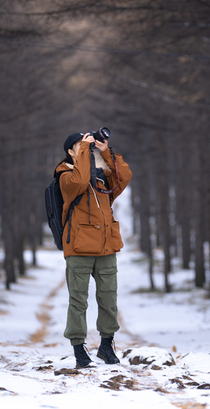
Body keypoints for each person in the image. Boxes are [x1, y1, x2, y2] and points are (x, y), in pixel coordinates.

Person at [56, 130, 132, 368]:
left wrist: (105, 151)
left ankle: (106, 346)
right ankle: (79, 349)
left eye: (88, 144)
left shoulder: (100, 175)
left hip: (106, 245)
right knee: (78, 300)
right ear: (71, 151)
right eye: (81, 145)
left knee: (109, 299)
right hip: (78, 247)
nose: (87, 147)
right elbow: (79, 182)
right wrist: (82, 154)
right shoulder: (65, 175)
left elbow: (124, 177)